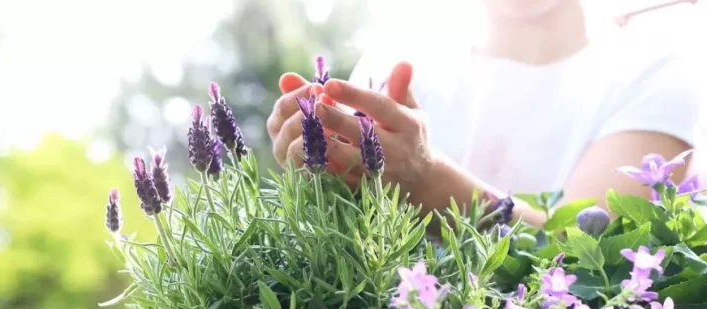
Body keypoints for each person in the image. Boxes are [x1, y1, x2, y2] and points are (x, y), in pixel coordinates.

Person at [266, 0, 700, 226]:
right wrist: (330, 174)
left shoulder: (651, 70)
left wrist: (429, 183)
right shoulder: (400, 56)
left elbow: (593, 256)